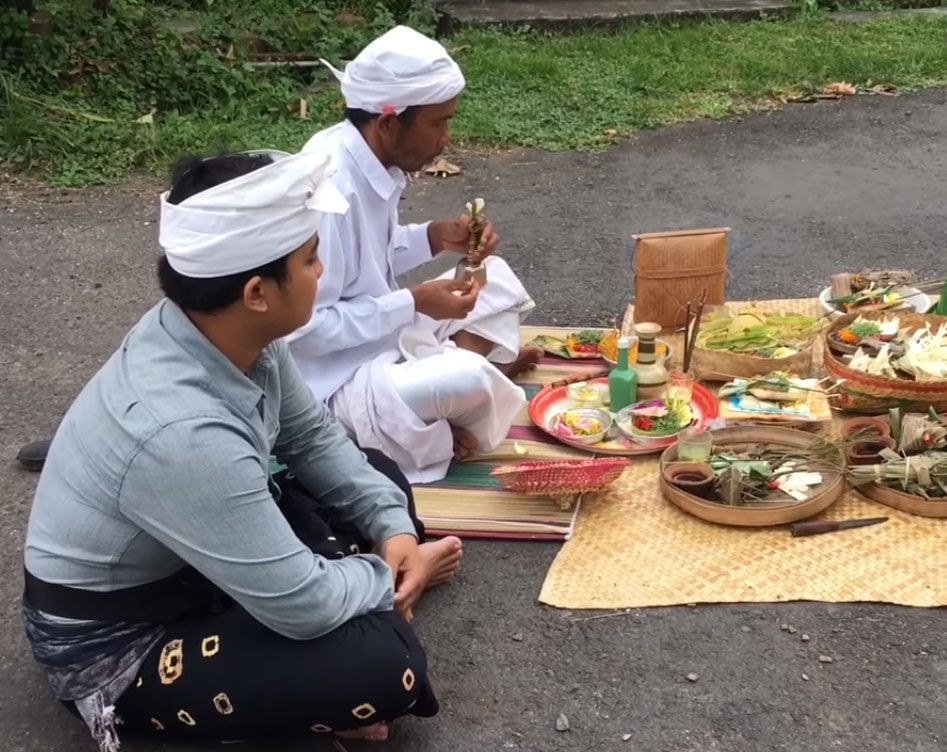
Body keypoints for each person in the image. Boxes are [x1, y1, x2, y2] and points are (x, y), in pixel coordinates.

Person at [21, 149, 462, 752]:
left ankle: (321, 646)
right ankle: (154, 715)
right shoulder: (181, 432)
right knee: (384, 664)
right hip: (122, 637)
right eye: (310, 260)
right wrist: (386, 575)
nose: (322, 269)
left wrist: (394, 531)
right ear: (257, 291)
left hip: (191, 556)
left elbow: (309, 438)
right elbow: (305, 607)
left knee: (380, 478)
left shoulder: (231, 331)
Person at [287, 25, 540, 484]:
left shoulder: (369, 157)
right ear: (388, 122)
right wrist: (415, 302)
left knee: (495, 277)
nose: (446, 139)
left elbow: (373, 258)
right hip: (337, 381)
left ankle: (453, 386)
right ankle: (458, 386)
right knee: (466, 381)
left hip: (383, 337)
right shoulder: (331, 185)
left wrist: (438, 237)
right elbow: (305, 329)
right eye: (438, 123)